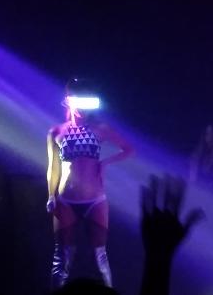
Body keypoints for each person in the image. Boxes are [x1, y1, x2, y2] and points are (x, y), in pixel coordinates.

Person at [46, 78, 134, 289]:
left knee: (100, 258)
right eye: (80, 101)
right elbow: (53, 167)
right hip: (66, 199)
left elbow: (128, 149)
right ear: (69, 101)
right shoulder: (56, 132)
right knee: (62, 259)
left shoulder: (100, 129)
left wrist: (106, 163)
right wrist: (50, 195)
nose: (84, 109)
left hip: (95, 199)